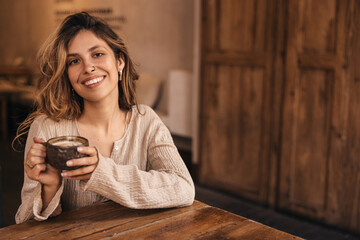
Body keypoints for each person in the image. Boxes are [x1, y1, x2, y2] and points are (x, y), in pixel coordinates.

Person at [14, 12, 195, 224]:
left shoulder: (146, 121)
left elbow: (183, 188)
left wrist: (102, 173)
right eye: (74, 61)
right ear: (67, 74)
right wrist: (49, 189)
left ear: (120, 61)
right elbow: (23, 225)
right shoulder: (47, 129)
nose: (88, 68)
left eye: (97, 54)